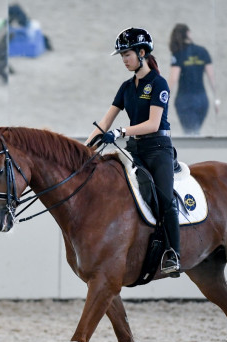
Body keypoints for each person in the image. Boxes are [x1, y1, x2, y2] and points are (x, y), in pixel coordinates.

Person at [86, 27, 180, 276]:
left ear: (141, 53)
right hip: (135, 149)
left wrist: (120, 132)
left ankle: (173, 253)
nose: (124, 60)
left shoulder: (158, 84)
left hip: (158, 149)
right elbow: (104, 123)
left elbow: (153, 124)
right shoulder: (126, 88)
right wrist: (82, 152)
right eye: (122, 56)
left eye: (127, 54)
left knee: (165, 198)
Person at [168, 24, 218, 135]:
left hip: (185, 99)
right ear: (188, 33)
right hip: (202, 100)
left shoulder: (178, 54)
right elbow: (212, 77)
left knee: (190, 133)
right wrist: (216, 99)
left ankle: (195, 152)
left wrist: (164, 98)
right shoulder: (202, 51)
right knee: (196, 132)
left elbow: (174, 78)